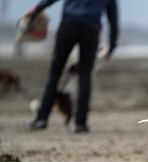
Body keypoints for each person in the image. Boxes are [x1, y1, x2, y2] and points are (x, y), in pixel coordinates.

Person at [28, 0, 119, 133]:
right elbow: (113, 19)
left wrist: (37, 8)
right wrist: (111, 47)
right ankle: (81, 123)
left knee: (55, 72)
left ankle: (41, 119)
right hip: (91, 28)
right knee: (85, 76)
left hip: (69, 23)